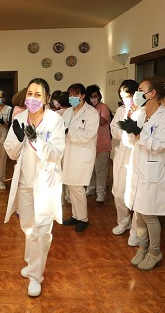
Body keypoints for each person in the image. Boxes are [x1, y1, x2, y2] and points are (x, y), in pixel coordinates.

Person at [4, 78, 65, 297]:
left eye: (38, 94)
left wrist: (36, 140)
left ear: (46, 98)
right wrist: (21, 140)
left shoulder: (55, 120)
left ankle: (35, 276)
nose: (32, 98)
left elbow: (56, 154)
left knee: (42, 231)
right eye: (30, 93)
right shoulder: (19, 118)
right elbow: (10, 152)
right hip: (24, 183)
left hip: (46, 184)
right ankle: (32, 265)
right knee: (28, 228)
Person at [121, 77, 165, 271]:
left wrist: (138, 133)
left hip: (153, 170)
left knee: (149, 214)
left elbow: (159, 145)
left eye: (141, 89)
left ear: (152, 93)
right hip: (138, 168)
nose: (137, 93)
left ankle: (154, 251)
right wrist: (130, 131)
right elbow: (130, 142)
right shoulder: (141, 114)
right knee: (138, 211)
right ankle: (142, 247)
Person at [61, 83, 99, 232]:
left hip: (82, 153)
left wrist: (69, 132)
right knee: (71, 185)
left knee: (77, 187)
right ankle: (75, 215)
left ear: (83, 96)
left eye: (76, 95)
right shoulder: (68, 112)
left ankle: (83, 218)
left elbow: (88, 135)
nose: (72, 98)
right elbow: (61, 130)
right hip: (68, 153)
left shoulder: (91, 113)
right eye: (70, 95)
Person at [110, 79, 139, 244]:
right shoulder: (120, 110)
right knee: (118, 192)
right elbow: (114, 130)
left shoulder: (143, 110)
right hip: (122, 154)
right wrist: (126, 133)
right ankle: (123, 221)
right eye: (122, 96)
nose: (125, 99)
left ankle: (135, 231)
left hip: (137, 155)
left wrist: (129, 133)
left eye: (127, 95)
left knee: (136, 196)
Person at [84, 84, 112, 203]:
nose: (93, 99)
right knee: (90, 168)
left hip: (102, 143)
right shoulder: (86, 108)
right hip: (89, 144)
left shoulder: (103, 107)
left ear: (99, 96)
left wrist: (90, 113)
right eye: (91, 97)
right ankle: (91, 188)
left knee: (100, 169)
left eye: (95, 96)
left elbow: (102, 121)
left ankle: (101, 192)